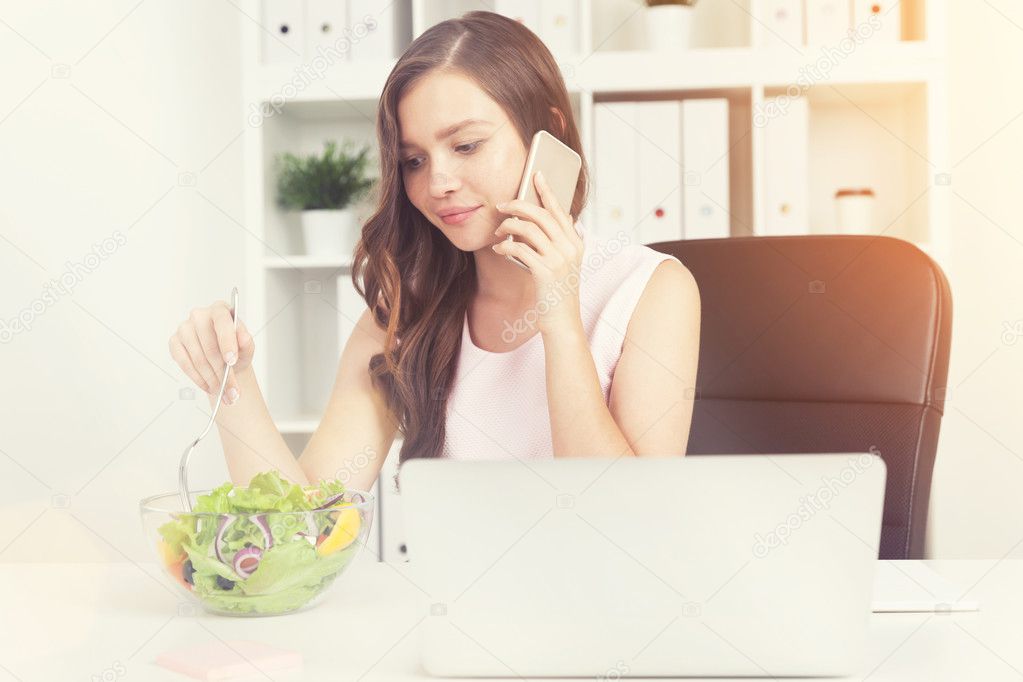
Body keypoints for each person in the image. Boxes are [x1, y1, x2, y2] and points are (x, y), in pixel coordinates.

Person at [167, 11, 701, 493]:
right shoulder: (405, 312)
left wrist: (559, 319)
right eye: (414, 161)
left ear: (551, 133)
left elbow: (630, 521)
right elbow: (305, 527)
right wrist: (229, 380)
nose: (438, 182)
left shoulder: (651, 290)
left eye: (466, 145)